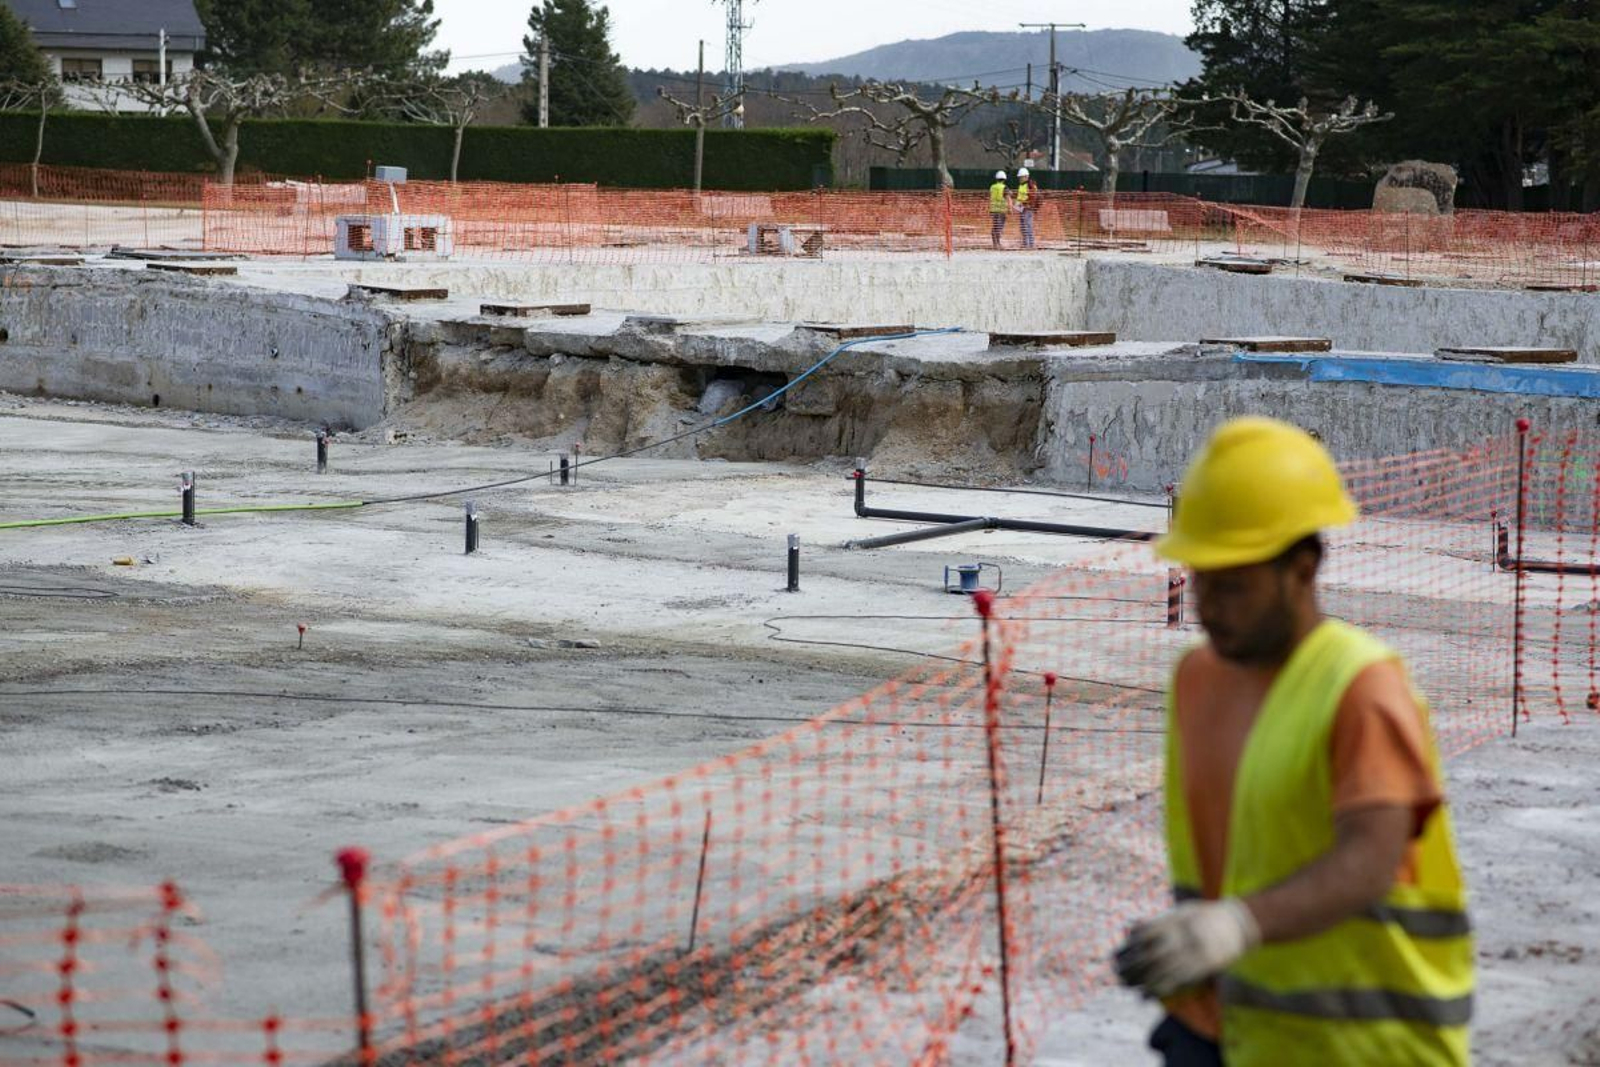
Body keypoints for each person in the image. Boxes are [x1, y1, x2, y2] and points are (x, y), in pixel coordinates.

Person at [1114, 417, 1473, 1067]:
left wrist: (1236, 925)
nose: (1209, 605)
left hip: (1360, 1044)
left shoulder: (1361, 687)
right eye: (1200, 579)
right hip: (1222, 1027)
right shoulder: (1196, 680)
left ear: (1302, 568)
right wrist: (1185, 943)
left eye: (1233, 585)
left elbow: (1370, 859)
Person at [1016, 165, 1040, 249]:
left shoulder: (1031, 185)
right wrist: (1018, 205)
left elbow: (1033, 197)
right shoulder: (1021, 186)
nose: (1019, 179)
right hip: (1022, 209)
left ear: (1026, 176)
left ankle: (1031, 244)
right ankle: (1025, 243)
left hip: (1028, 209)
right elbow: (1020, 197)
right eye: (1019, 177)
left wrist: (1026, 203)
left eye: (1021, 177)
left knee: (1028, 226)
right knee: (1023, 226)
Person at [989, 170, 1012, 249]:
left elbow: (991, 197)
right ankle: (998, 244)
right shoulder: (1004, 187)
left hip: (993, 209)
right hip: (1001, 211)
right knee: (999, 227)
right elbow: (1008, 198)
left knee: (995, 226)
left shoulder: (992, 187)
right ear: (1004, 179)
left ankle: (995, 243)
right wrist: (1010, 208)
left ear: (996, 178)